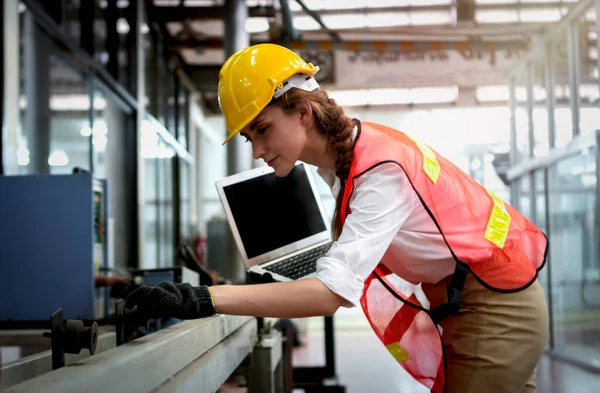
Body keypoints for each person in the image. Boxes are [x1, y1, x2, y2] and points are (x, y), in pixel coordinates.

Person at [125, 44, 549, 393]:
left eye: (263, 129)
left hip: (493, 302)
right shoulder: (344, 161)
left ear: (303, 112)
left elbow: (330, 296)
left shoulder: (380, 169)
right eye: (249, 136)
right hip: (472, 299)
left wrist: (205, 297)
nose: (256, 149)